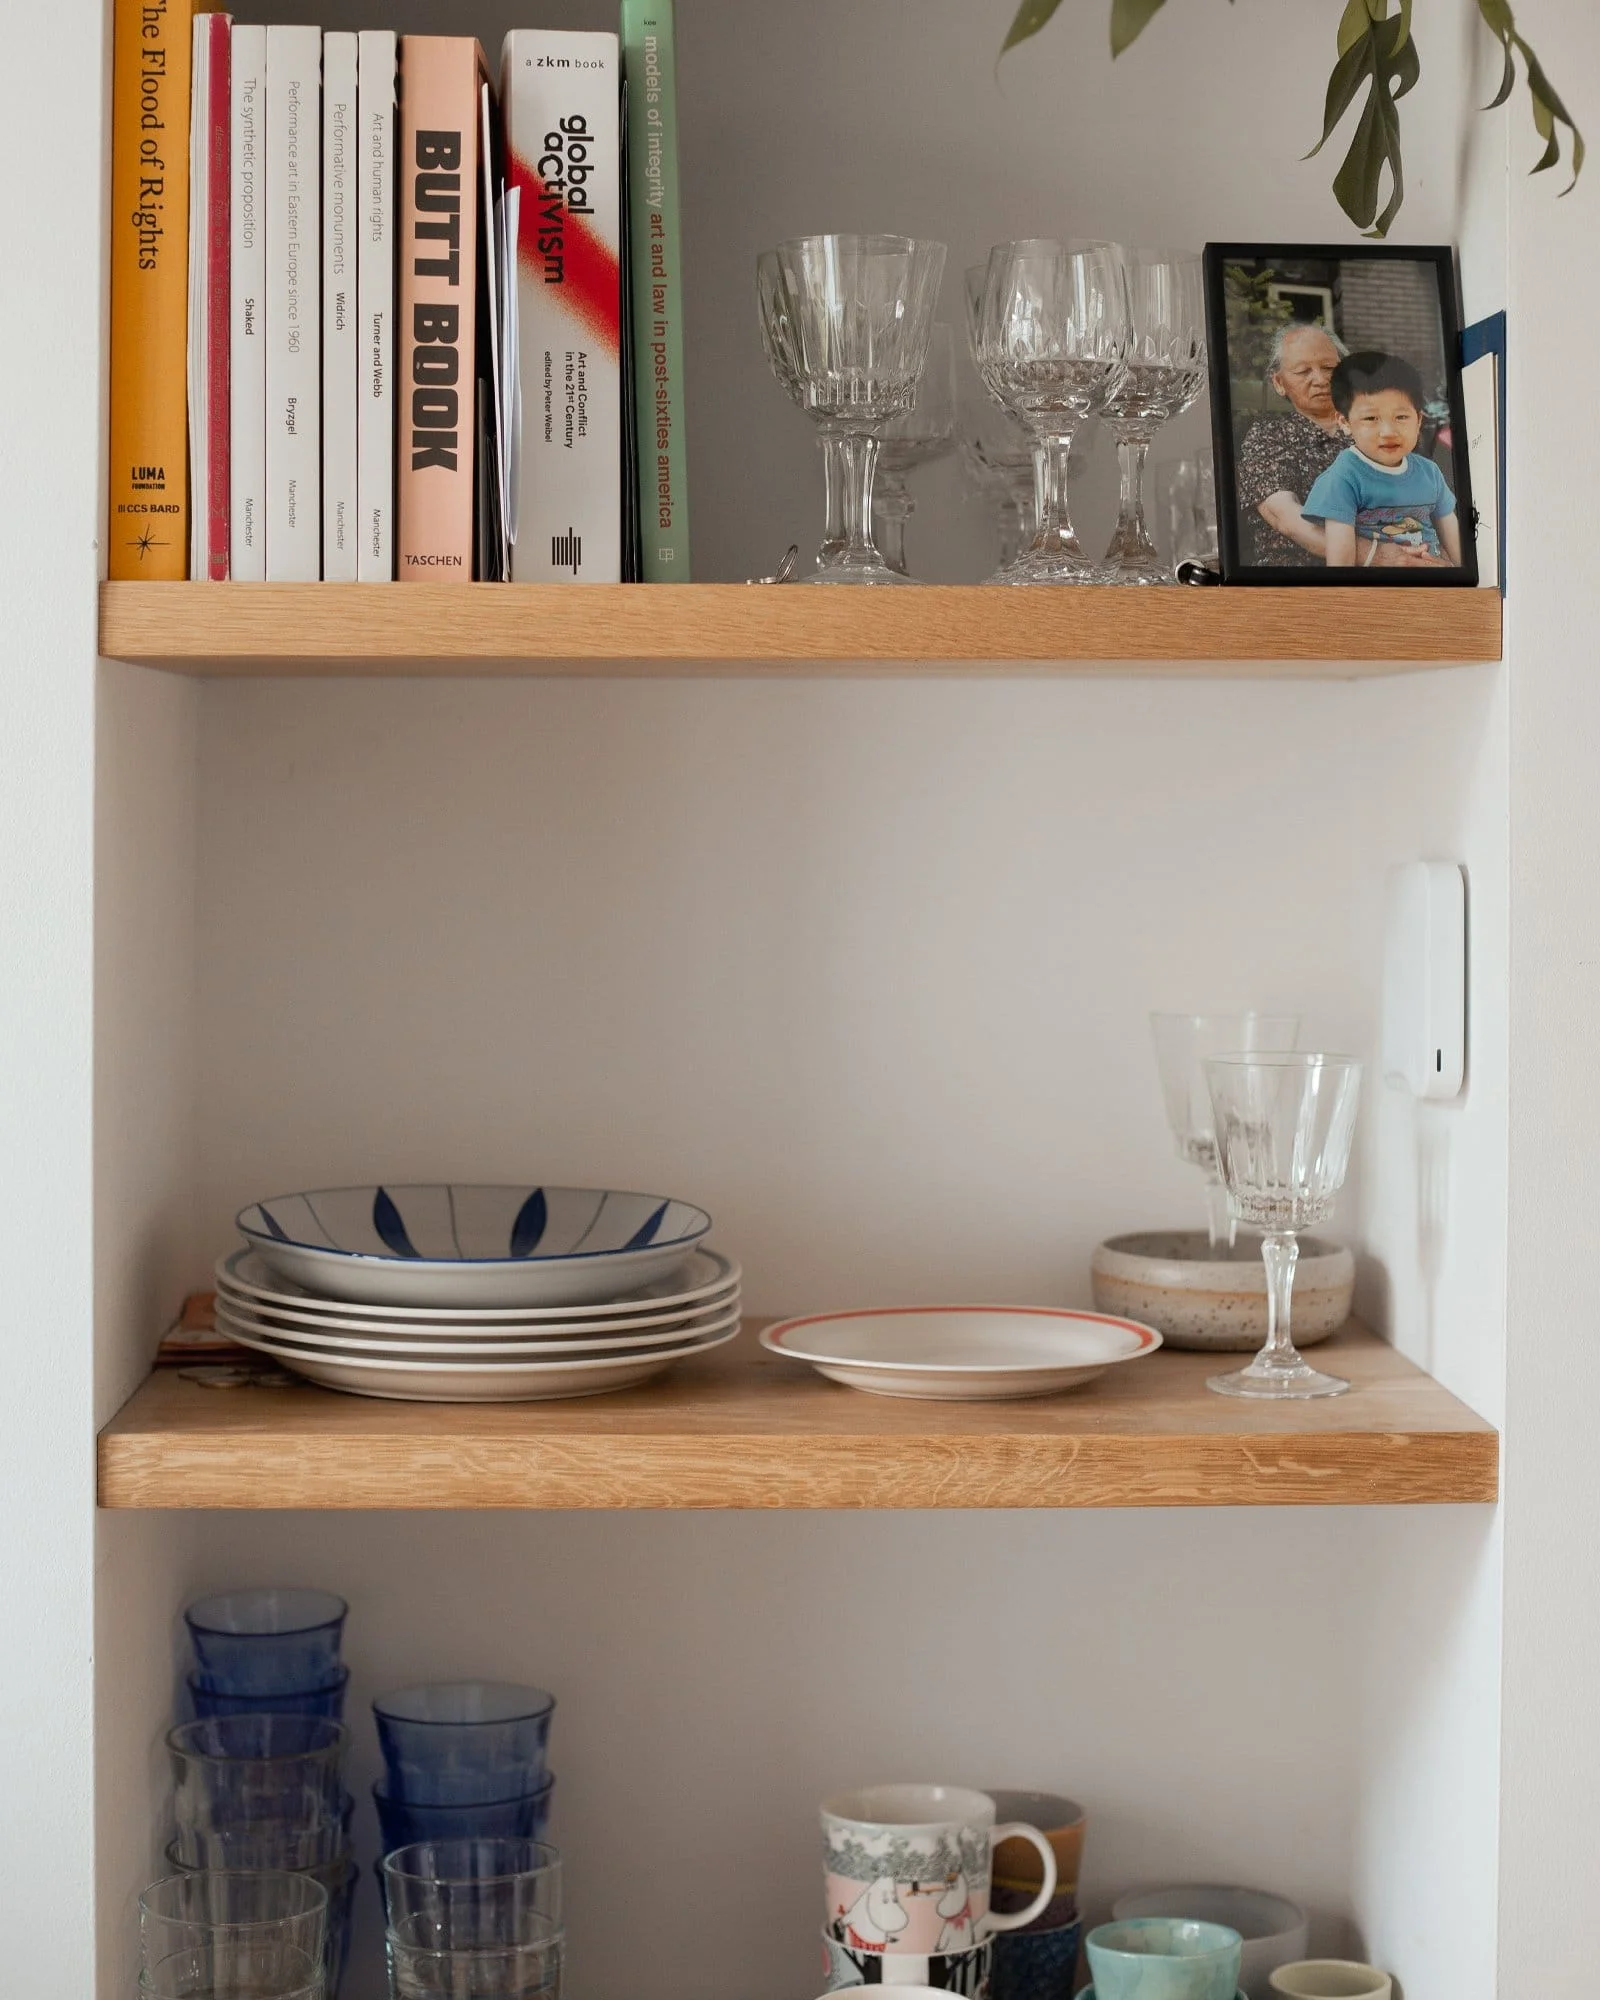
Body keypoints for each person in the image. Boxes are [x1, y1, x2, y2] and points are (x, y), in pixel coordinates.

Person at [1234, 322, 1436, 567]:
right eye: (1302, 371)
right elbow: (1284, 516)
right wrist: (1379, 556)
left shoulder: (1382, 428)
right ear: (1278, 382)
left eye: (1329, 367)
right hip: (1300, 581)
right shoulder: (1268, 435)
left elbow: (1426, 502)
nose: (1320, 379)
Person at [1302, 351, 1462, 568]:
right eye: (1371, 418)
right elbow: (1341, 564)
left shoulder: (1429, 472)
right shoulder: (1343, 476)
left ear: (1419, 420)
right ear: (1345, 422)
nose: (1388, 431)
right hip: (1378, 592)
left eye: (1401, 417)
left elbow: (1455, 544)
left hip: (1435, 585)